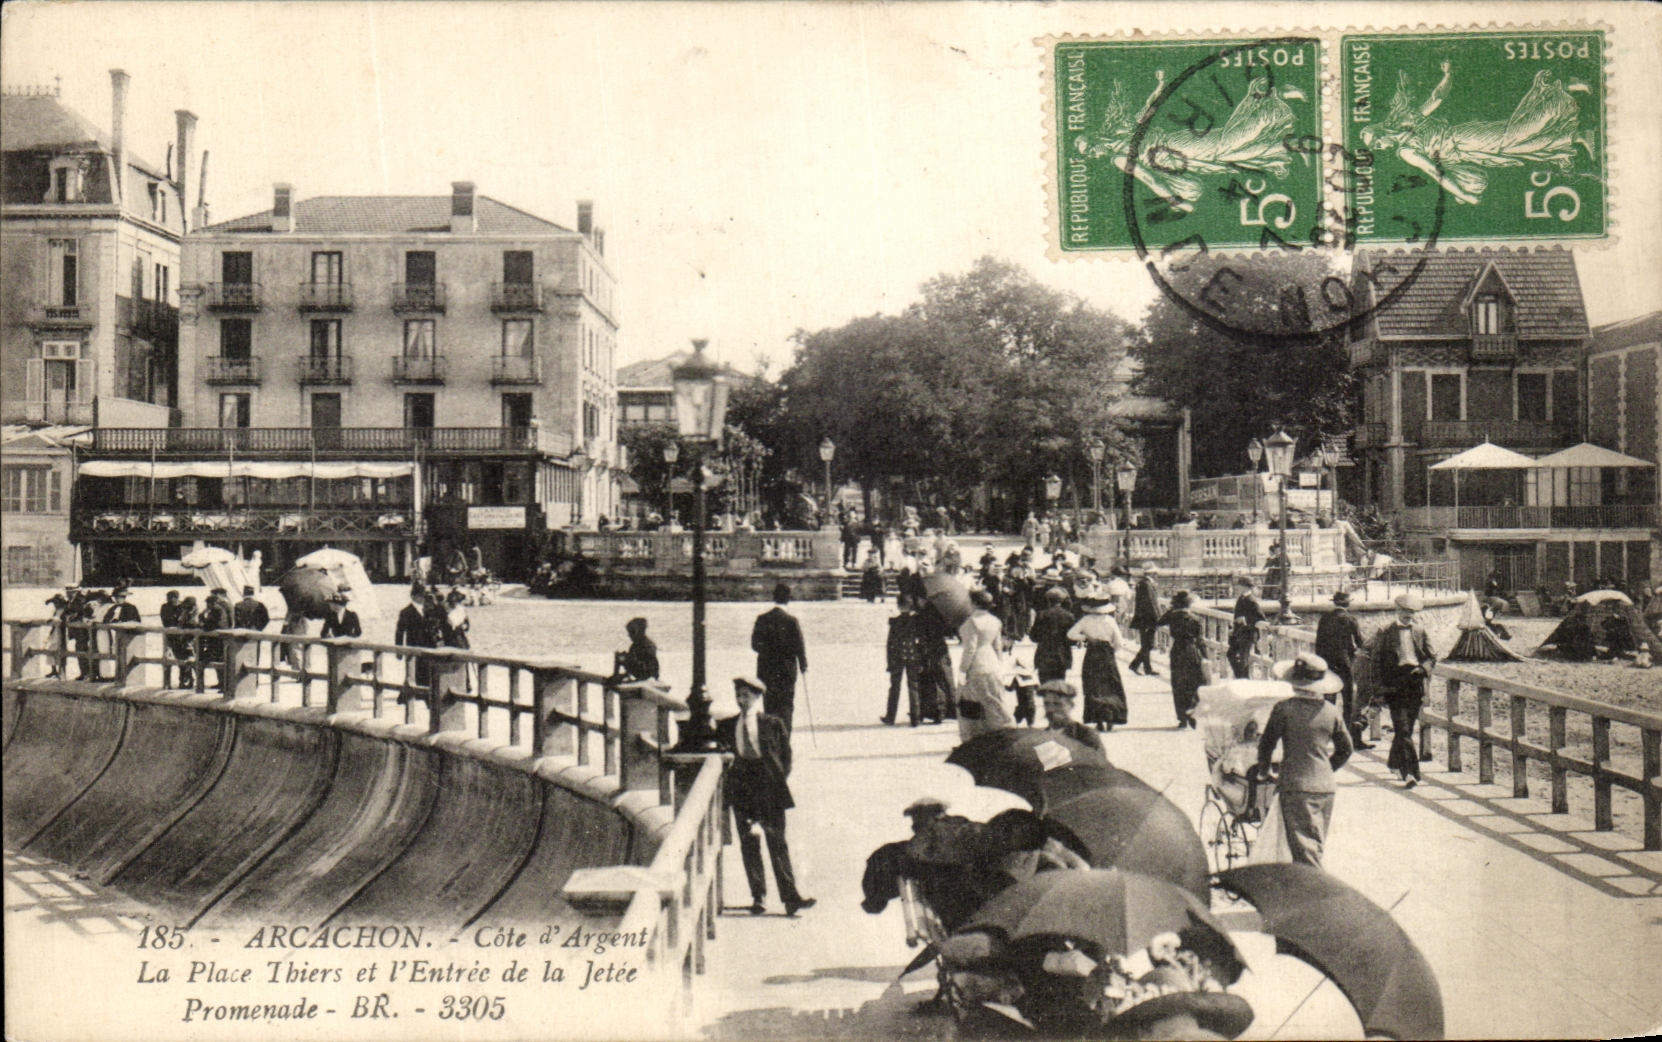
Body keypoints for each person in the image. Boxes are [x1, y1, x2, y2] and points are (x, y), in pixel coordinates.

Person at [718, 676, 815, 917]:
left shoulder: (773, 724)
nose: (742, 701)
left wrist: (776, 779)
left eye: (746, 695)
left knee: (777, 841)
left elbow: (786, 757)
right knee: (749, 842)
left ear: (758, 696)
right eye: (738, 695)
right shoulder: (729, 725)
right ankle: (758, 897)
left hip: (768, 787)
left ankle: (790, 897)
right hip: (742, 786)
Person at [1256, 653, 1353, 868]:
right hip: (1325, 787)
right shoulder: (1331, 711)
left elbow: (1266, 744)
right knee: (1315, 844)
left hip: (1296, 786)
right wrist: (1326, 768)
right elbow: (1346, 749)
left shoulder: (1284, 709)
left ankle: (1315, 895)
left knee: (1305, 852)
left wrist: (1264, 770)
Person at [1365, 593, 1437, 787]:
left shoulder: (1420, 631)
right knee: (1402, 728)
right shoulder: (1385, 631)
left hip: (1414, 684)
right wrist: (1378, 690)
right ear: (1397, 610)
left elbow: (1432, 657)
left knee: (1406, 730)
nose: (1408, 615)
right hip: (1394, 684)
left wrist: (1423, 669)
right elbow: (1375, 662)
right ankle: (1410, 773)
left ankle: (1393, 762)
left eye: (1411, 612)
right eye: (1405, 611)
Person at [1314, 590, 1369, 748]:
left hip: (1327, 663)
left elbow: (1319, 643)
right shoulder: (1350, 619)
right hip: (1344, 664)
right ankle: (1349, 738)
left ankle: (1326, 735)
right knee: (1348, 701)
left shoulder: (1324, 618)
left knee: (1328, 700)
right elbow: (1360, 642)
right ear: (1348, 604)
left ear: (1334, 603)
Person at [751, 583, 808, 734]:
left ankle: (772, 741)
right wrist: (803, 665)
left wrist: (769, 651)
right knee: (786, 707)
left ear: (773, 598)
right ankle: (784, 742)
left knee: (769, 707)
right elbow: (799, 646)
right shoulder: (791, 621)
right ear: (788, 600)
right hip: (786, 671)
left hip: (766, 670)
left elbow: (755, 645)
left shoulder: (762, 619)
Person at [957, 589, 1014, 741]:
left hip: (976, 664)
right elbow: (998, 646)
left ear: (973, 603)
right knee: (995, 700)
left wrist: (962, 670)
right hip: (992, 663)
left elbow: (970, 648)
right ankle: (1002, 731)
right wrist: (999, 665)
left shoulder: (971, 622)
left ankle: (972, 737)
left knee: (970, 703)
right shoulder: (995, 621)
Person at [1067, 596, 1127, 731]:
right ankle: (1111, 715)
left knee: (1093, 685)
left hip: (1092, 652)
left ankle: (1097, 718)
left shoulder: (1085, 620)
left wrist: (1086, 638)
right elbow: (1119, 642)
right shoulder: (1110, 621)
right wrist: (1112, 651)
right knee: (1111, 685)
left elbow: (1071, 634)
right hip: (1106, 653)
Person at [1159, 590, 1210, 729]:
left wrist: (1170, 610)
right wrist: (1206, 657)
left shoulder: (1172, 616)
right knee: (1194, 683)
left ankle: (1182, 718)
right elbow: (1200, 640)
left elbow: (1159, 622)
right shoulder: (1195, 619)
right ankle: (1193, 713)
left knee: (1178, 684)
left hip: (1177, 651)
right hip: (1192, 651)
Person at [882, 595, 923, 726]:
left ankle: (890, 716)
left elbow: (890, 644)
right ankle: (915, 717)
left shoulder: (894, 622)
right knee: (914, 686)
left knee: (895, 687)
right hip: (913, 656)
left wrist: (889, 662)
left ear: (898, 606)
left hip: (897, 657)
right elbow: (921, 642)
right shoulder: (917, 621)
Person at [396, 583, 440, 702]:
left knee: (428, 671)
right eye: (420, 596)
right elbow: (400, 632)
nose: (422, 598)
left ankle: (426, 694)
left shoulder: (430, 609)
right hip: (414, 645)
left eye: (423, 596)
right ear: (413, 596)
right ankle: (408, 695)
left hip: (429, 646)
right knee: (413, 671)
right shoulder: (406, 612)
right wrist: (399, 650)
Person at [914, 600, 955, 724]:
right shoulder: (940, 612)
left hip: (929, 650)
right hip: (940, 649)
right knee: (944, 679)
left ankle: (937, 710)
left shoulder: (923, 615)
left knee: (932, 679)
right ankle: (947, 709)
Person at [1038, 679, 1104, 753]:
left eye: (1057, 704)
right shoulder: (1041, 737)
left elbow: (1098, 762)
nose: (1051, 709)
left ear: (1071, 706)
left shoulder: (1085, 734)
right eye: (1046, 704)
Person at [1030, 586, 1076, 684]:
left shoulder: (1041, 615)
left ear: (1048, 600)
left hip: (1044, 655)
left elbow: (1034, 637)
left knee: (1045, 686)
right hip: (1062, 655)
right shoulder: (1069, 616)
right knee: (1059, 686)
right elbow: (1072, 639)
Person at [1227, 574, 1266, 679]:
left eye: (1239, 585)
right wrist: (1234, 626)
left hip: (1248, 634)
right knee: (1230, 654)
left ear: (1245, 587)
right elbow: (1237, 615)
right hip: (1238, 632)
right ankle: (1240, 676)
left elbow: (1261, 619)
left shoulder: (1252, 601)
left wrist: (1246, 621)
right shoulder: (1241, 598)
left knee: (1244, 658)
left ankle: (1243, 679)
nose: (1237, 587)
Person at [1128, 563, 1163, 676]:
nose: (1157, 575)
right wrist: (1158, 617)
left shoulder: (1144, 583)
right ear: (1152, 573)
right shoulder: (1146, 584)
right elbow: (1150, 603)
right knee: (1148, 644)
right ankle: (1136, 665)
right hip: (1147, 618)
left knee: (1147, 644)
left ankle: (1144, 667)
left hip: (1145, 618)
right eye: (1155, 573)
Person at [198, 588, 233, 690]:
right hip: (217, 637)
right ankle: (221, 682)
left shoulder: (220, 608)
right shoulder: (217, 609)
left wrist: (203, 621)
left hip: (221, 637)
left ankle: (224, 684)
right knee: (218, 659)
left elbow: (220, 623)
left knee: (221, 659)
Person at [158, 590, 189, 687]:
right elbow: (166, 620)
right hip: (170, 636)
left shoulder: (183, 607)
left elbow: (184, 621)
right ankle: (167, 683)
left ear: (175, 598)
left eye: (170, 597)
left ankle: (184, 681)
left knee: (183, 659)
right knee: (168, 658)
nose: (168, 599)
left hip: (181, 637)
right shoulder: (165, 607)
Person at [621, 617, 659, 682]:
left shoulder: (648, 646)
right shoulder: (634, 646)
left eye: (632, 632)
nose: (629, 636)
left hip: (648, 677)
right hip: (639, 675)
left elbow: (650, 668)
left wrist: (629, 659)